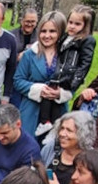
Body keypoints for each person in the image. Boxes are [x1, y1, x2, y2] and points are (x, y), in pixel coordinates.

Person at [12, 11, 71, 139]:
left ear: (61, 31)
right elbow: (17, 80)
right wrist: (39, 89)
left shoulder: (67, 56)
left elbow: (74, 82)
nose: (47, 36)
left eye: (52, 31)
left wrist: (61, 93)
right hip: (31, 110)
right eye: (43, 31)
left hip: (57, 109)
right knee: (29, 148)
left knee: (55, 146)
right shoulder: (29, 54)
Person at [39, 111, 96, 184]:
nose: (62, 134)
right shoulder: (51, 148)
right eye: (62, 128)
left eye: (69, 131)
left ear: (82, 134)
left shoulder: (92, 159)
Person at [54, 4, 96, 95]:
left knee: (60, 106)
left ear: (86, 26)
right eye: (70, 22)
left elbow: (85, 64)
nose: (72, 26)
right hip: (56, 78)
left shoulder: (86, 40)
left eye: (77, 24)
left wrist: (73, 84)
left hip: (68, 81)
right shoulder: (64, 37)